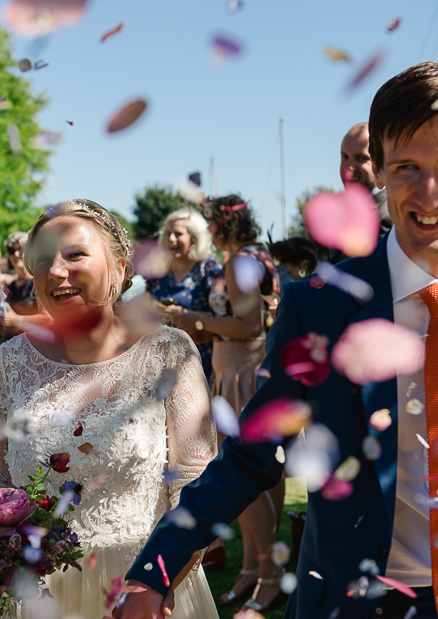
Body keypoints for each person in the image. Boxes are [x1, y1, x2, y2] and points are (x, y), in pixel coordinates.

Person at [118, 61, 438, 619]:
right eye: (406, 167)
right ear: (381, 170)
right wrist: (155, 569)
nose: (428, 191)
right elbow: (253, 455)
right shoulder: (318, 305)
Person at [0, 199, 218, 619]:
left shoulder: (169, 353)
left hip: (142, 589)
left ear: (119, 269)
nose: (57, 271)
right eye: (44, 260)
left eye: (75, 254)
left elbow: (196, 488)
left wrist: (158, 583)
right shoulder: (11, 361)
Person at [162, 195, 282, 613]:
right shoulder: (260, 254)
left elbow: (246, 324)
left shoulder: (237, 262)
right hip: (246, 365)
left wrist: (188, 318)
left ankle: (269, 578)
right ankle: (253, 570)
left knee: (241, 472)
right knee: (266, 474)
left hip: (239, 370)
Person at [148, 208, 222, 385]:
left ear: (194, 239)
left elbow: (226, 318)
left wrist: (186, 316)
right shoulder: (158, 273)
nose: (171, 239)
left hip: (201, 362)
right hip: (161, 365)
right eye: (168, 234)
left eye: (178, 234)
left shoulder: (209, 270)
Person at [3, 231, 38, 316]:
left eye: (20, 249)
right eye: (11, 251)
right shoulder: (11, 285)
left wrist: (16, 320)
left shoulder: (38, 280)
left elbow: (48, 319)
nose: (16, 254)